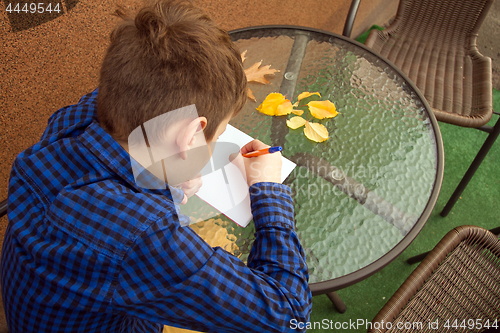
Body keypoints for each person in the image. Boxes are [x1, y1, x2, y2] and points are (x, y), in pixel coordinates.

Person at [0, 1, 312, 332]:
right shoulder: (142, 235)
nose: (217, 143)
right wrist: (268, 189)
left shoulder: (76, 117)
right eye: (218, 135)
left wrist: (170, 179)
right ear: (190, 134)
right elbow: (287, 316)